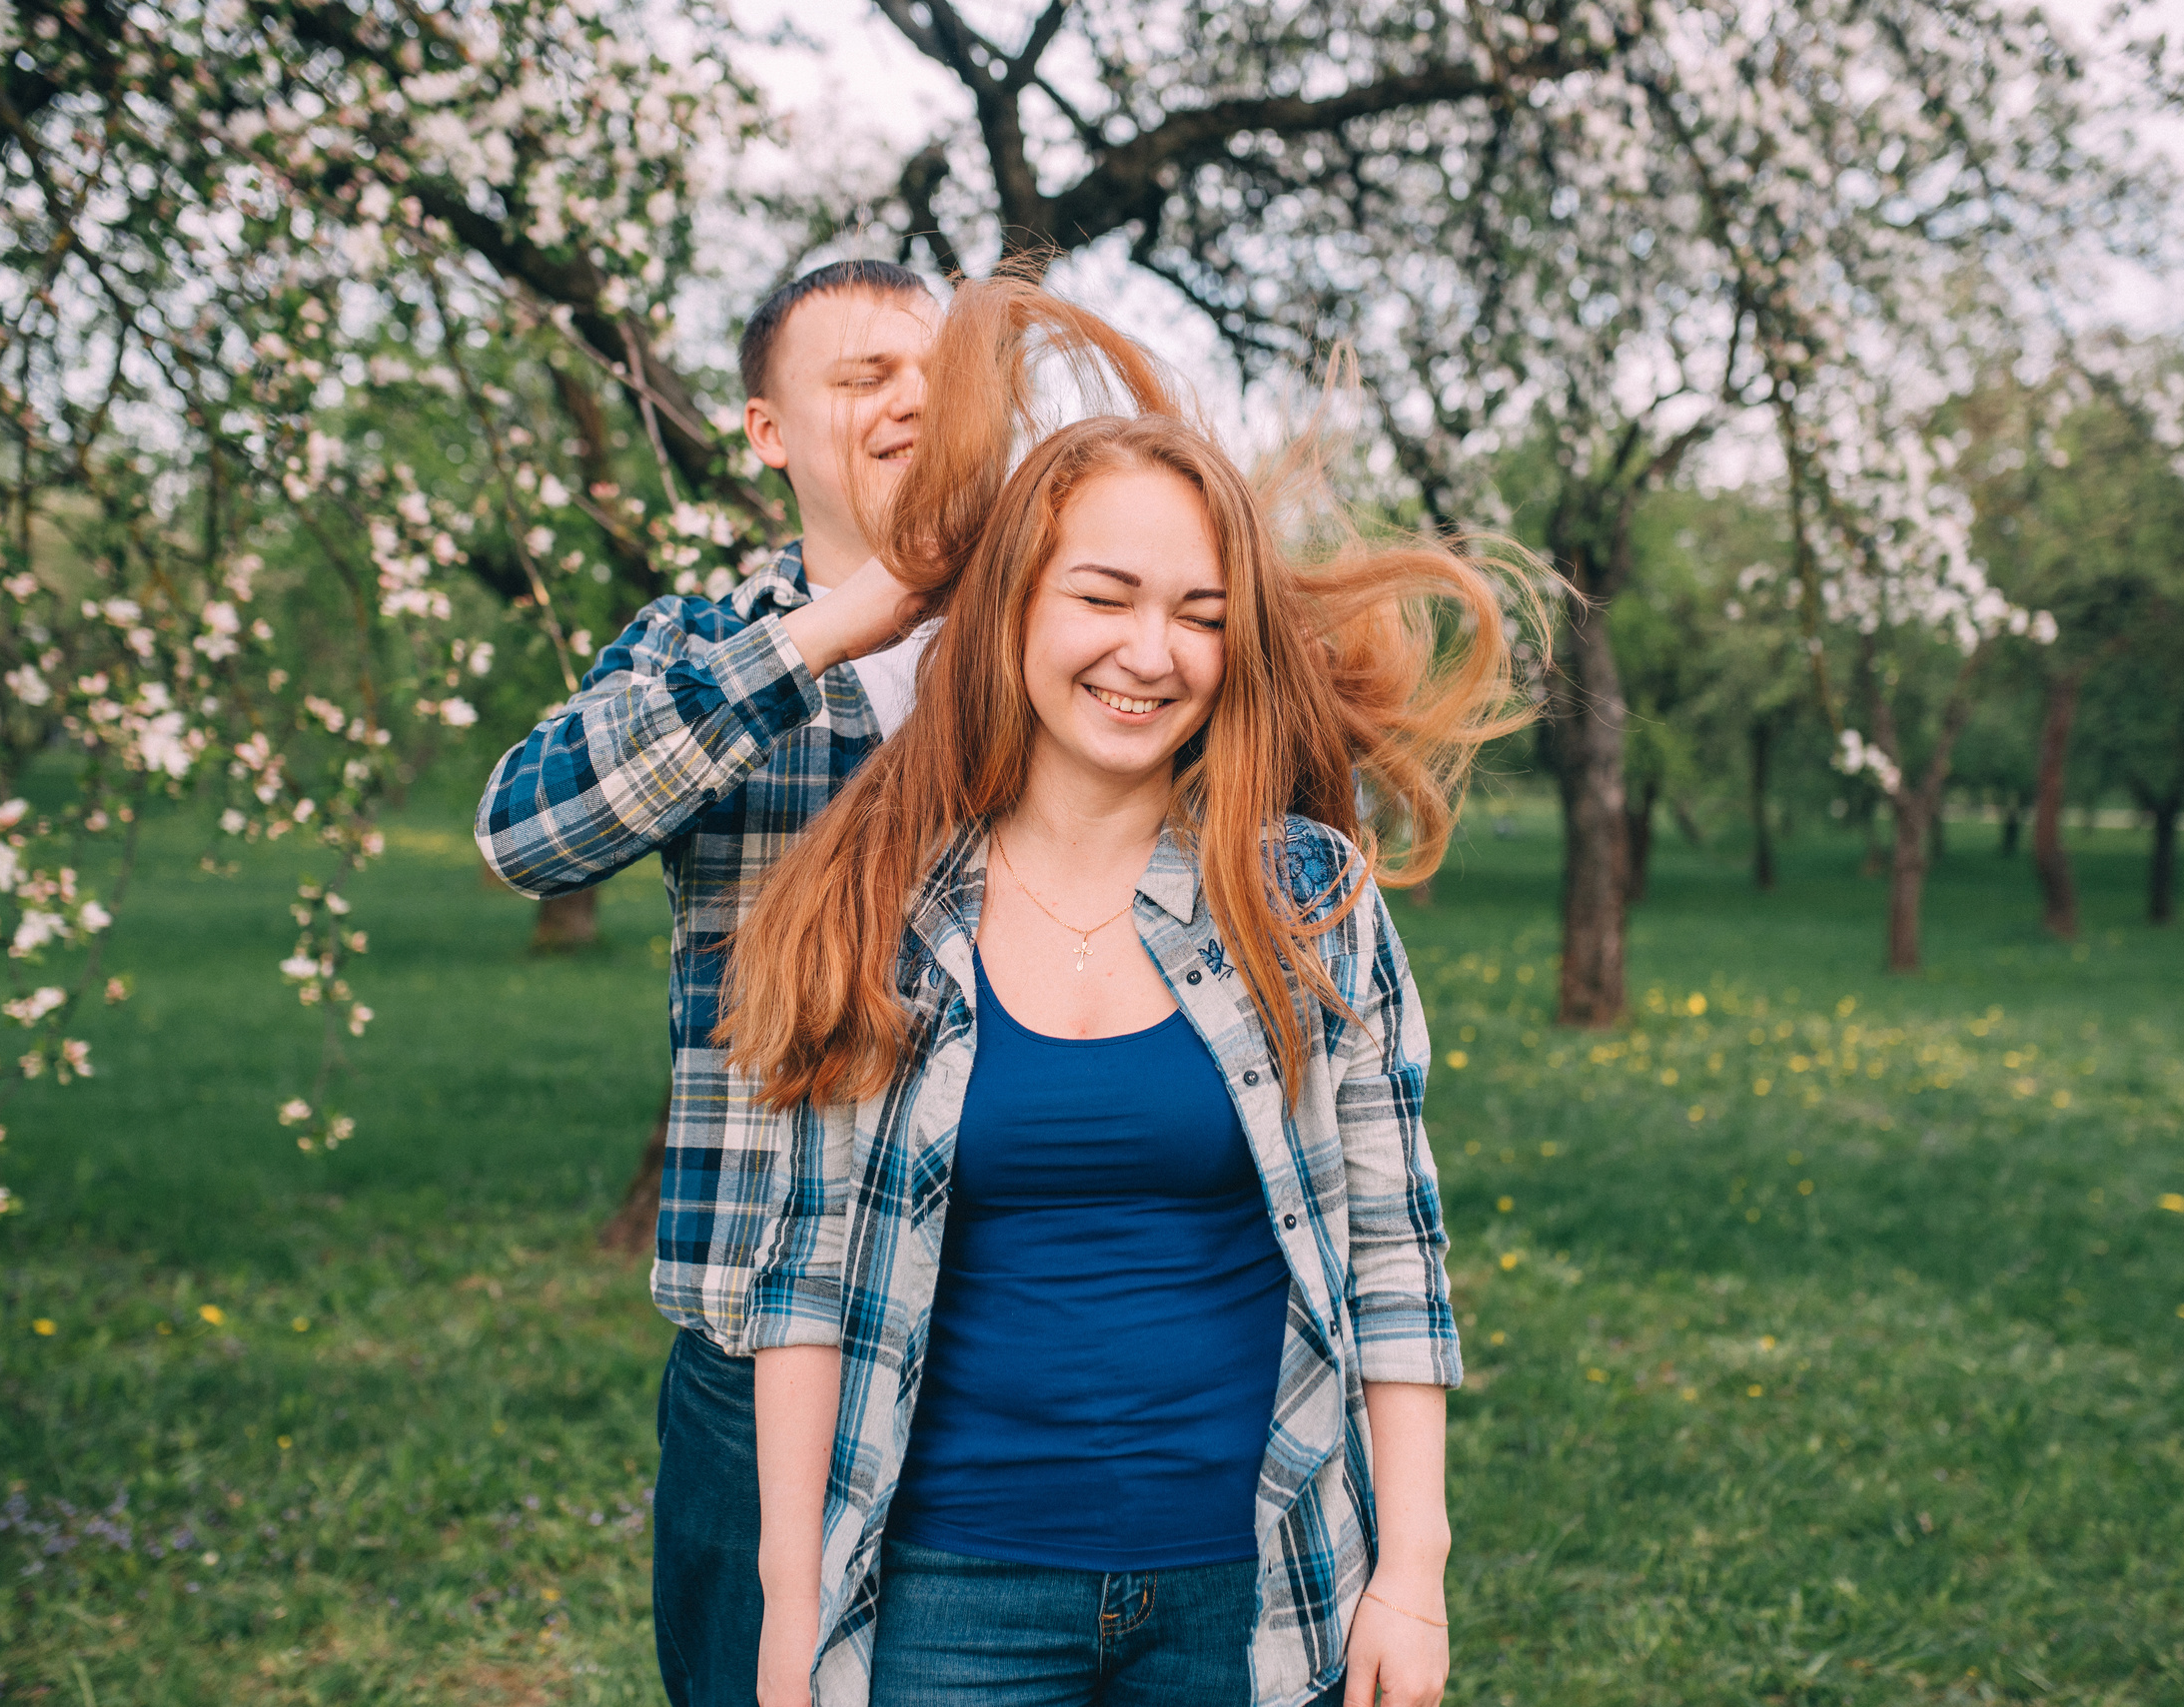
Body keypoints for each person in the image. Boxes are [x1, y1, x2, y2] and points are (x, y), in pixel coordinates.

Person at [718, 279, 1537, 1707]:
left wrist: (1417, 1570)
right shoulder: (876, 906)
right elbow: (804, 1290)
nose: (1148, 653)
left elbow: (1400, 1257)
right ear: (1016, 607)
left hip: (1252, 1584)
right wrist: (794, 1613)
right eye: (1103, 597)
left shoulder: (1308, 900)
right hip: (952, 1593)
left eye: (1197, 615)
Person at [474, 258, 941, 1707]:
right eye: (865, 377)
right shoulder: (702, 646)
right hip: (760, 1339)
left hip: (1016, 1332)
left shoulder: (1072, 643)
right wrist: (819, 639)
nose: (913, 401)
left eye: (939, 375)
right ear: (766, 431)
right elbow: (528, 832)